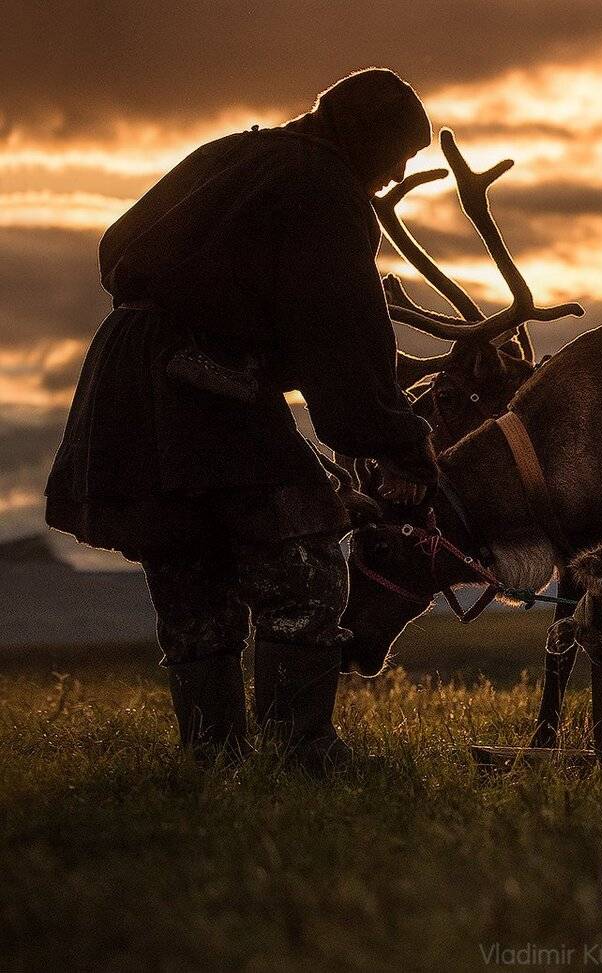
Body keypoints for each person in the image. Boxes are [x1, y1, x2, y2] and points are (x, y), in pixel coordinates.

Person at [45, 69, 438, 770]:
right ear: (371, 139)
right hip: (202, 387)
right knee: (306, 566)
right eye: (400, 154)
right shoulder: (327, 191)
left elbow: (117, 245)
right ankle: (302, 750)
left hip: (129, 378)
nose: (396, 173)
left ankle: (213, 755)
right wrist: (405, 446)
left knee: (189, 565)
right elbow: (344, 345)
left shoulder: (233, 153)